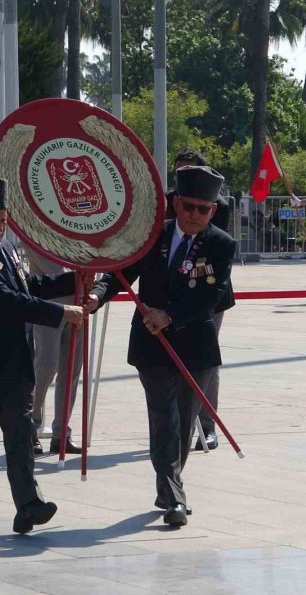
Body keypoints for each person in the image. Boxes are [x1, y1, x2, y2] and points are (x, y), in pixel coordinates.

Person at [88, 165, 237, 527]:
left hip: (194, 345)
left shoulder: (221, 243)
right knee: (164, 419)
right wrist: (96, 295)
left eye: (204, 209)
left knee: (184, 423)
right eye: (189, 207)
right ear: (175, 203)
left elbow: (211, 297)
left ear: (213, 211)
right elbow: (122, 271)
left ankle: (168, 481)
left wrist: (169, 315)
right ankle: (175, 496)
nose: (195, 215)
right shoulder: (153, 235)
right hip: (152, 346)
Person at [0, 172, 83, 534]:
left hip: (14, 366)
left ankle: (28, 505)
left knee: (21, 436)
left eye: (2, 221)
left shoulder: (7, 249)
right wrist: (60, 312)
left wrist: (75, 278)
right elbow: (6, 301)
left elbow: (31, 285)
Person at [162, 149, 234, 452]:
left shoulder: (217, 206)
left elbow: (213, 244)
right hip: (170, 298)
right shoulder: (168, 202)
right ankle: (177, 425)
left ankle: (206, 424)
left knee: (205, 362)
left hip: (207, 295)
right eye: (180, 173)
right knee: (168, 366)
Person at [26, 248, 83, 457]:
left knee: (72, 371)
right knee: (45, 368)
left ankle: (61, 433)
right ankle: (30, 426)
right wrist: (79, 276)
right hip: (49, 303)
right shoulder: (38, 225)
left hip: (79, 301)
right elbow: (51, 268)